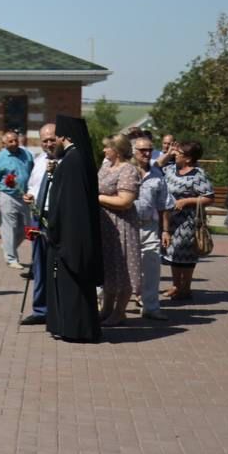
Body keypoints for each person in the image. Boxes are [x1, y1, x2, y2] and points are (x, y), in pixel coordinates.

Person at [43, 115, 103, 343]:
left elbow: (66, 204)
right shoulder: (77, 159)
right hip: (74, 233)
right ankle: (73, 325)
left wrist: (55, 229)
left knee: (71, 284)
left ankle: (74, 328)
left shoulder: (71, 161)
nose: (54, 141)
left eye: (57, 136)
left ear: (65, 136)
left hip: (69, 236)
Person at [97, 134, 141, 326]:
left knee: (123, 268)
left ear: (117, 150)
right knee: (108, 267)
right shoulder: (106, 166)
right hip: (105, 224)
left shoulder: (128, 170)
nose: (104, 151)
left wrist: (96, 198)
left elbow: (125, 201)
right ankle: (106, 308)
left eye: (107, 147)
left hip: (122, 224)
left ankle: (119, 311)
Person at [162, 140, 214, 299]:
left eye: (179, 153)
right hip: (169, 219)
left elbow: (209, 197)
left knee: (185, 254)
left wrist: (186, 201)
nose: (175, 154)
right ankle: (176, 285)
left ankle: (186, 287)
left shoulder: (198, 175)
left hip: (188, 221)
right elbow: (154, 170)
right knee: (172, 252)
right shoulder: (169, 170)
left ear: (188, 159)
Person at [20, 123, 58, 325]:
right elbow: (34, 186)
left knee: (57, 265)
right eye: (45, 140)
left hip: (57, 216)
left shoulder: (65, 160)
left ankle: (58, 307)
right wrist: (29, 196)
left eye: (52, 139)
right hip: (38, 214)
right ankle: (40, 309)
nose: (49, 144)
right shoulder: (38, 160)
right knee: (38, 263)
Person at [132, 135, 173, 320]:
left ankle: (151, 307)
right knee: (118, 265)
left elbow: (164, 205)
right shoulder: (126, 170)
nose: (147, 154)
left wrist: (165, 230)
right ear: (133, 151)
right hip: (126, 225)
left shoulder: (157, 174)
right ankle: (106, 303)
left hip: (149, 226)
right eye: (142, 150)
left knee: (152, 267)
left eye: (149, 150)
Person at [0, 130, 34, 268]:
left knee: (25, 229)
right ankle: (11, 259)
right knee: (9, 228)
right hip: (7, 196)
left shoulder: (26, 154)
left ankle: (8, 246)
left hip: (24, 196)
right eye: (10, 141)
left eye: (15, 140)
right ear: (4, 143)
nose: (14, 143)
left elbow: (32, 172)